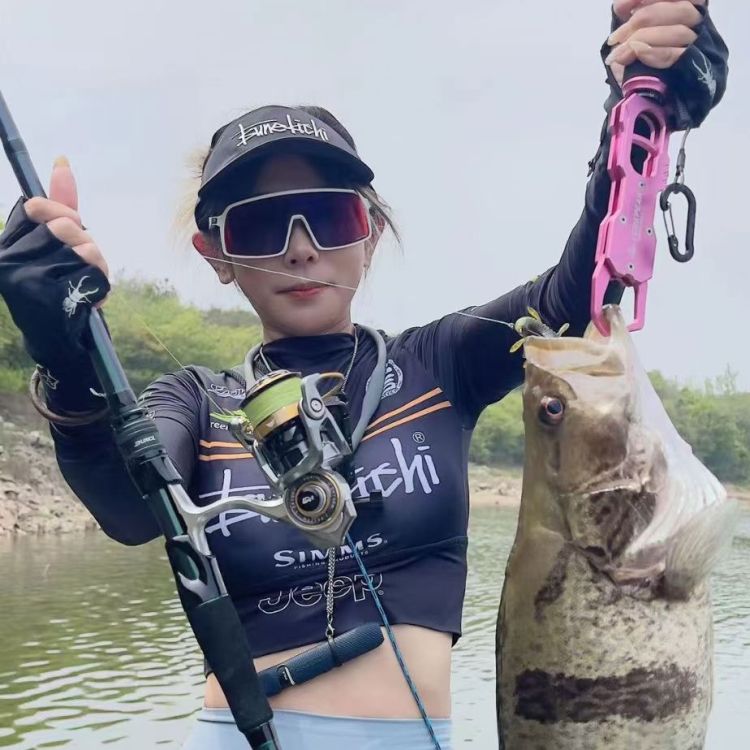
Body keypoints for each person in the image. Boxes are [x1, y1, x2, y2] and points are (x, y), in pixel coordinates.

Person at [0, 2, 729, 748]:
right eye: (261, 225)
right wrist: (65, 357)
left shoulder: (441, 362)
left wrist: (641, 105)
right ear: (216, 254)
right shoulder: (196, 401)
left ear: (371, 232)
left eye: (329, 217)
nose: (301, 248)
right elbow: (129, 511)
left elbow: (579, 292)